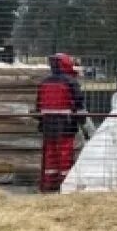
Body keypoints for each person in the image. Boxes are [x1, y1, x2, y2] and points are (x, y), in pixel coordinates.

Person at [36, 53, 85, 193]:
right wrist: (81, 120)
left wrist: (41, 121)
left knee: (50, 155)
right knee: (65, 154)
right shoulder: (71, 82)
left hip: (47, 124)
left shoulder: (44, 82)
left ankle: (48, 185)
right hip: (66, 124)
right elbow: (79, 103)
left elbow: (38, 106)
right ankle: (65, 185)